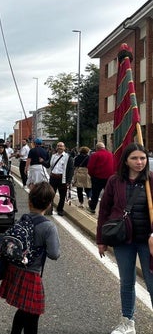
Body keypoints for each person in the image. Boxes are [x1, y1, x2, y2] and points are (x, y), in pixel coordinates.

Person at [96, 143, 153, 334]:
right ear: (126, 161)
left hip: (148, 241)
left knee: (152, 283)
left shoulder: (151, 180)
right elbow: (104, 210)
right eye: (135, 158)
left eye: (143, 158)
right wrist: (101, 240)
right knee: (126, 282)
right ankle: (127, 322)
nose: (139, 162)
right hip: (123, 240)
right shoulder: (114, 181)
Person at [0, 181, 60, 334]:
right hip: (31, 273)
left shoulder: (24, 219)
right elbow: (54, 254)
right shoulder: (49, 226)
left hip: (15, 268)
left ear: (29, 201)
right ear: (49, 204)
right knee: (33, 313)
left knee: (24, 310)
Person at [87, 142, 116, 214]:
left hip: (97, 177)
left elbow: (90, 167)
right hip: (109, 177)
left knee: (95, 194)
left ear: (97, 148)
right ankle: (111, 209)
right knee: (109, 194)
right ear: (104, 147)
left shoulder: (95, 155)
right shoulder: (111, 154)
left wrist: (92, 175)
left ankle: (92, 208)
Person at [48, 142, 74, 216]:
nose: (59, 147)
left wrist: (69, 181)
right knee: (51, 194)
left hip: (62, 179)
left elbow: (71, 170)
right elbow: (48, 164)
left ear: (64, 147)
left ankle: (60, 209)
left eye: (61, 146)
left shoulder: (68, 157)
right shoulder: (53, 156)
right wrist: (41, 161)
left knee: (62, 195)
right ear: (56, 147)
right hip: (53, 178)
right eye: (58, 146)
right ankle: (50, 209)